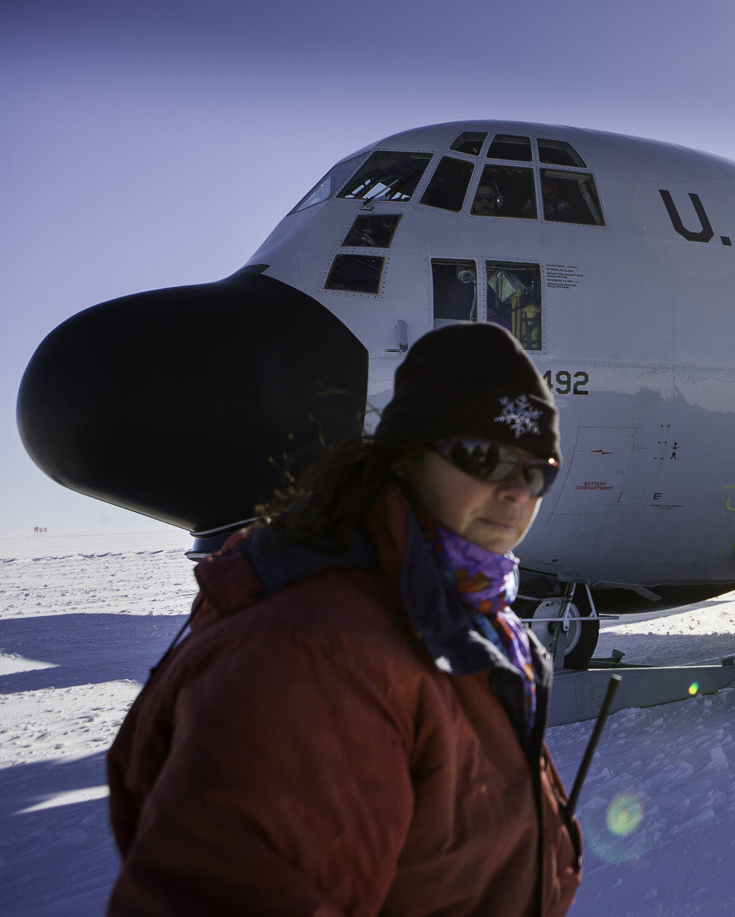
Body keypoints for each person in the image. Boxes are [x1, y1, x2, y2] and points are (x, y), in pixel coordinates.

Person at [106, 322, 582, 916]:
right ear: (405, 456)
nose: (516, 492)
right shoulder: (314, 657)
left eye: (537, 472)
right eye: (484, 457)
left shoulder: (471, 617)